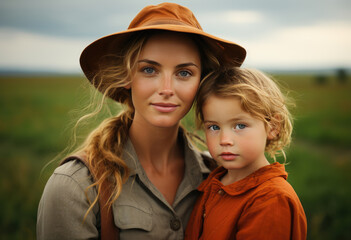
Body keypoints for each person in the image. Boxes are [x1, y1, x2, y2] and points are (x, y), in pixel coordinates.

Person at [36, 2, 246, 240]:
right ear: (127, 76)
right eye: (149, 70)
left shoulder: (219, 177)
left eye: (184, 73)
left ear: (202, 82)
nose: (166, 89)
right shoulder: (75, 186)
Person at [185, 67, 307, 240]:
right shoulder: (214, 181)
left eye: (240, 126)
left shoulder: (272, 200)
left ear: (273, 127)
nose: (224, 139)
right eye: (214, 127)